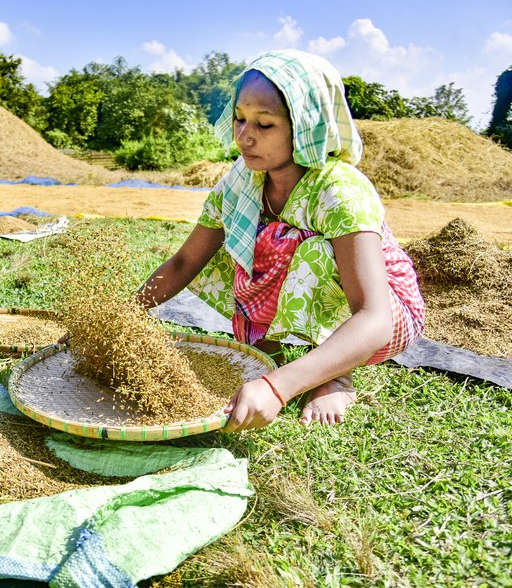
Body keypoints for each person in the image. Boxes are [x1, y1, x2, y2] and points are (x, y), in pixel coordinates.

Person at [137, 50, 425, 431]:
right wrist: (121, 314)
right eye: (240, 119)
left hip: (385, 313)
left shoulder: (340, 190)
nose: (244, 135)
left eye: (265, 124)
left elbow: (374, 318)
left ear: (305, 127)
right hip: (353, 311)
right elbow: (184, 262)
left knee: (310, 250)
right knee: (239, 245)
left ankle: (332, 377)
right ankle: (268, 351)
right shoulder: (241, 183)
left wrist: (277, 388)